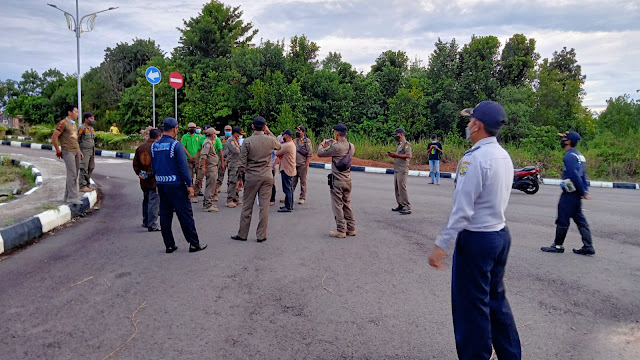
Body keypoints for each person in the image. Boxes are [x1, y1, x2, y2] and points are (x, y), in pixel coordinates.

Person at [428, 101, 521, 360]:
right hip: (500, 236)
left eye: (470, 121)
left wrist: (440, 244)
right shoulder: (503, 155)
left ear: (477, 125)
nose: (467, 125)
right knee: (495, 301)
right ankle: (511, 355)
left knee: (471, 307)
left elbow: (462, 211)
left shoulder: (474, 158)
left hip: (477, 239)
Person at [151, 117, 207, 253]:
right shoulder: (176, 145)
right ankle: (194, 243)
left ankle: (169, 245)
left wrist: (157, 183)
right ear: (175, 128)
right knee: (185, 215)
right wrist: (189, 185)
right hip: (176, 185)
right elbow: (183, 168)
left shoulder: (155, 146)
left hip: (162, 184)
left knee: (165, 215)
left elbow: (154, 167)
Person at [541, 131, 595, 255]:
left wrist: (582, 191)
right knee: (579, 218)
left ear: (569, 141)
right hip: (576, 194)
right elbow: (583, 175)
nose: (562, 140)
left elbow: (575, 175)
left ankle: (558, 246)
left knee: (563, 217)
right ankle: (588, 246)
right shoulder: (579, 155)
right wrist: (584, 190)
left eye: (564, 139)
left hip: (570, 193)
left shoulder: (569, 156)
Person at [231, 116, 281, 242]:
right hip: (267, 176)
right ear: (264, 126)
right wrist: (269, 132)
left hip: (252, 176)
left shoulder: (247, 141)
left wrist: (239, 179)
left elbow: (242, 164)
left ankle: (243, 234)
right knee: (264, 207)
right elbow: (279, 146)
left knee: (247, 206)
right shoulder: (270, 140)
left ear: (253, 126)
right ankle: (261, 235)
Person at [317, 123, 356, 238]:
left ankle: (340, 230)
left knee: (337, 205)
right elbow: (341, 149)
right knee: (347, 203)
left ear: (337, 133)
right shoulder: (351, 146)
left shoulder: (335, 147)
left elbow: (320, 153)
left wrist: (321, 145)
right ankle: (351, 228)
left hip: (337, 180)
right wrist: (335, 143)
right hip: (347, 180)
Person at [51, 104, 83, 205]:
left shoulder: (74, 124)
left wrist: (80, 151)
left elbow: (74, 139)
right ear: (70, 112)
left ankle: (67, 196)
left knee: (74, 173)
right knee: (72, 173)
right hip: (68, 151)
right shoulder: (63, 123)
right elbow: (54, 137)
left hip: (76, 151)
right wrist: (58, 150)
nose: (77, 114)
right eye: (76, 112)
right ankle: (72, 197)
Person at [133, 128, 161, 231]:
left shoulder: (140, 147)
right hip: (154, 179)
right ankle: (152, 224)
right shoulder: (156, 148)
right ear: (158, 137)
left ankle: (146, 221)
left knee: (146, 199)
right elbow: (157, 165)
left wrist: (140, 173)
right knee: (154, 201)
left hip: (143, 179)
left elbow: (135, 163)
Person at [387, 128, 412, 215]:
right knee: (397, 188)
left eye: (396, 134)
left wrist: (395, 155)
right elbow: (399, 155)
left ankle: (407, 206)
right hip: (397, 169)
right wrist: (393, 155)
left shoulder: (406, 144)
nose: (395, 136)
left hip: (402, 169)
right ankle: (400, 204)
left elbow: (409, 155)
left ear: (401, 134)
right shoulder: (399, 145)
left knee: (402, 187)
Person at [200, 127, 225, 212]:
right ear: (212, 134)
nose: (215, 135)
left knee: (212, 185)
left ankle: (208, 202)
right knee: (210, 186)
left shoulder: (210, 142)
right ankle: (207, 205)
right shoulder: (207, 143)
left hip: (213, 166)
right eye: (215, 134)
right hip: (210, 167)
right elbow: (203, 155)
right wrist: (203, 167)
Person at [181, 122, 204, 203]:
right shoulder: (184, 137)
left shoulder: (199, 137)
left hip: (197, 159)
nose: (193, 129)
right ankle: (190, 190)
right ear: (188, 129)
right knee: (189, 176)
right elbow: (183, 147)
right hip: (188, 159)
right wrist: (190, 156)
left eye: (194, 127)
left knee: (199, 176)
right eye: (191, 127)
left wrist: (196, 157)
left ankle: (197, 191)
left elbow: (200, 147)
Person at [276, 129, 296, 212]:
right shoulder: (291, 144)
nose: (282, 137)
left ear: (287, 136)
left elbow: (277, 153)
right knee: (289, 188)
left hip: (286, 169)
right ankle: (289, 204)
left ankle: (288, 206)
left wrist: (279, 142)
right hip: (290, 169)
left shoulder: (287, 145)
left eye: (283, 135)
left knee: (287, 188)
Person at [293, 125, 313, 205]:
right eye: (297, 130)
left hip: (302, 165)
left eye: (299, 131)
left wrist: (306, 165)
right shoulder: (294, 141)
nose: (297, 132)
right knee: (293, 182)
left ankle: (302, 197)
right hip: (294, 164)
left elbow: (309, 154)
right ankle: (289, 196)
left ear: (303, 132)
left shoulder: (306, 141)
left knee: (303, 182)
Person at [77, 112, 96, 193]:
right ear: (86, 119)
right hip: (84, 151)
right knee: (84, 168)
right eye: (91, 118)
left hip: (92, 150)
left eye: (93, 118)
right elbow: (77, 139)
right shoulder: (82, 128)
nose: (93, 120)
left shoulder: (91, 128)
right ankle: (82, 186)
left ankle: (88, 184)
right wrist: (78, 151)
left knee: (91, 167)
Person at [225, 127, 243, 208]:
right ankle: (229, 200)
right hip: (234, 164)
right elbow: (236, 151)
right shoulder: (231, 140)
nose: (240, 136)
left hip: (238, 163)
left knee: (238, 181)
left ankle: (235, 198)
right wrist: (240, 148)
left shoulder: (236, 141)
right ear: (235, 133)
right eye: (239, 134)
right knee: (232, 181)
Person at [216, 125, 233, 195]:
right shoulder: (221, 139)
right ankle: (218, 186)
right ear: (224, 131)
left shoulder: (234, 139)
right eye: (227, 130)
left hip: (231, 159)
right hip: (222, 158)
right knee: (220, 173)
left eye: (229, 130)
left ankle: (230, 188)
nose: (228, 131)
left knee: (231, 174)